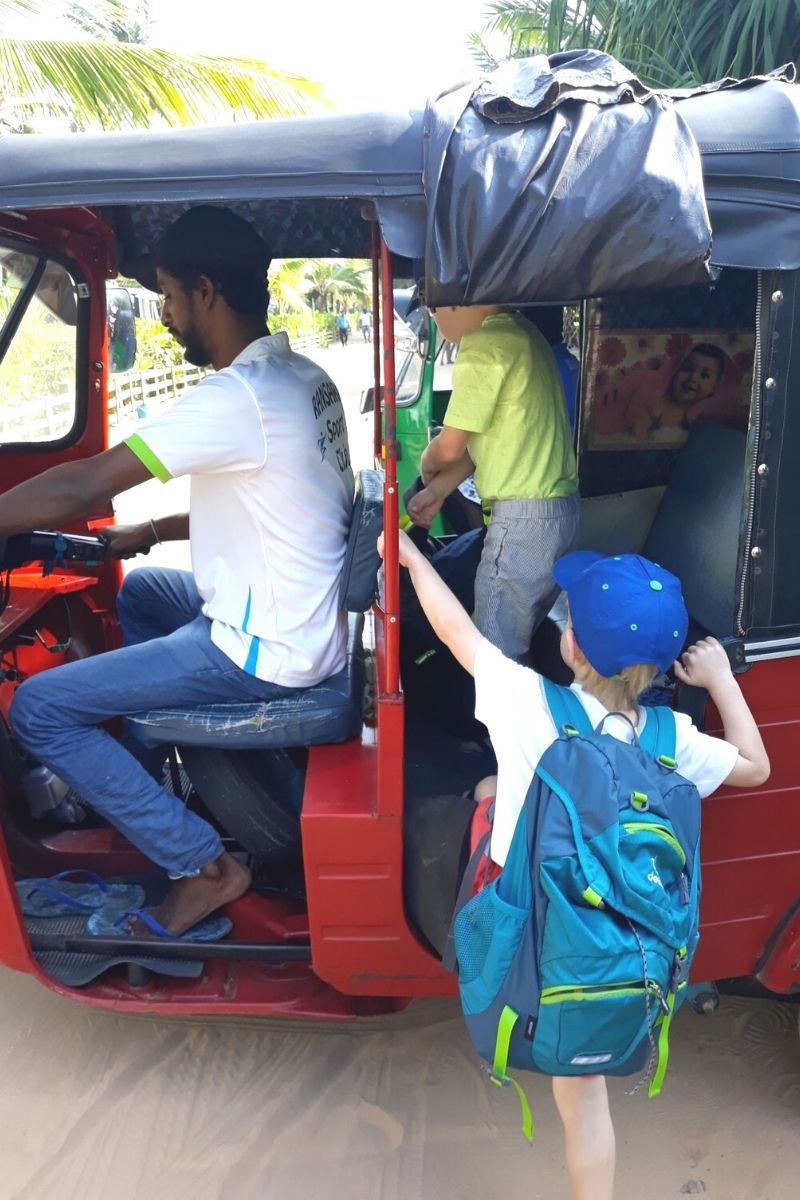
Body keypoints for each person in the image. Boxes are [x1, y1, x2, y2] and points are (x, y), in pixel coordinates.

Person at [379, 527, 770, 1200]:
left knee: (483, 795)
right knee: (586, 1099)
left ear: (571, 644)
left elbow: (455, 634)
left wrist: (411, 557)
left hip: (527, 925)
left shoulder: (530, 702)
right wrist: (721, 681)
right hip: (606, 941)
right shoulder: (675, 738)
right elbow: (757, 768)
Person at [5, 205, 354, 939]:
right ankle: (142, 777)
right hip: (299, 615)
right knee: (145, 590)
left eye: (166, 296)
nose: (163, 315)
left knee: (39, 710)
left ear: (205, 292)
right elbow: (283, 504)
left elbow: (84, 485)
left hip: (266, 647)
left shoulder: (237, 398)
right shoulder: (302, 377)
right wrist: (154, 532)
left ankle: (202, 866)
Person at [407, 304, 579, 662]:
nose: (434, 316)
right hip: (558, 516)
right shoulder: (524, 335)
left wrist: (428, 463)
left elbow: (451, 447)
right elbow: (484, 441)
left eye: (434, 306)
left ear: (458, 300)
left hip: (521, 525)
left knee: (495, 658)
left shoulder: (484, 345)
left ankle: (493, 720)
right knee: (516, 638)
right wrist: (438, 491)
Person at [628, 343, 729, 442]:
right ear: (674, 371)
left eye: (704, 375)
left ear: (714, 387)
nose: (693, 377)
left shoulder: (710, 413)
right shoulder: (660, 405)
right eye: (687, 369)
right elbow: (636, 435)